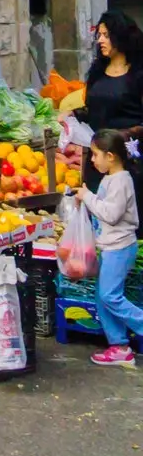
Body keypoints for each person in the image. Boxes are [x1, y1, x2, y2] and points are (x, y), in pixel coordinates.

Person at [84, 130, 143, 365]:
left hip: (120, 248)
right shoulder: (110, 179)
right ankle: (119, 346)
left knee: (109, 295)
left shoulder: (121, 181)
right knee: (102, 297)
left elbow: (110, 214)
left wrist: (87, 196)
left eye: (95, 154)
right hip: (110, 248)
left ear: (110, 156)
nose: (92, 159)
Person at [79, 11, 143, 194]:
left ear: (120, 37)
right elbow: (92, 108)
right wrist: (74, 115)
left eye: (106, 35)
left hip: (129, 161)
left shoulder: (138, 74)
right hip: (97, 161)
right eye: (99, 35)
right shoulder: (97, 72)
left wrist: (122, 135)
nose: (100, 40)